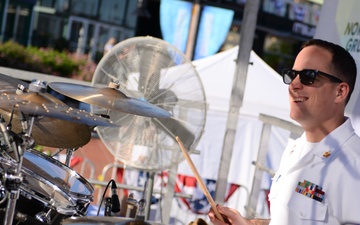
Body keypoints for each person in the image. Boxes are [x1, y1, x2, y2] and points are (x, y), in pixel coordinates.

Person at [208, 39, 360, 225]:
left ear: (340, 92)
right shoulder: (294, 149)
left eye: (308, 76)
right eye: (292, 75)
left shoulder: (353, 165)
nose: (294, 84)